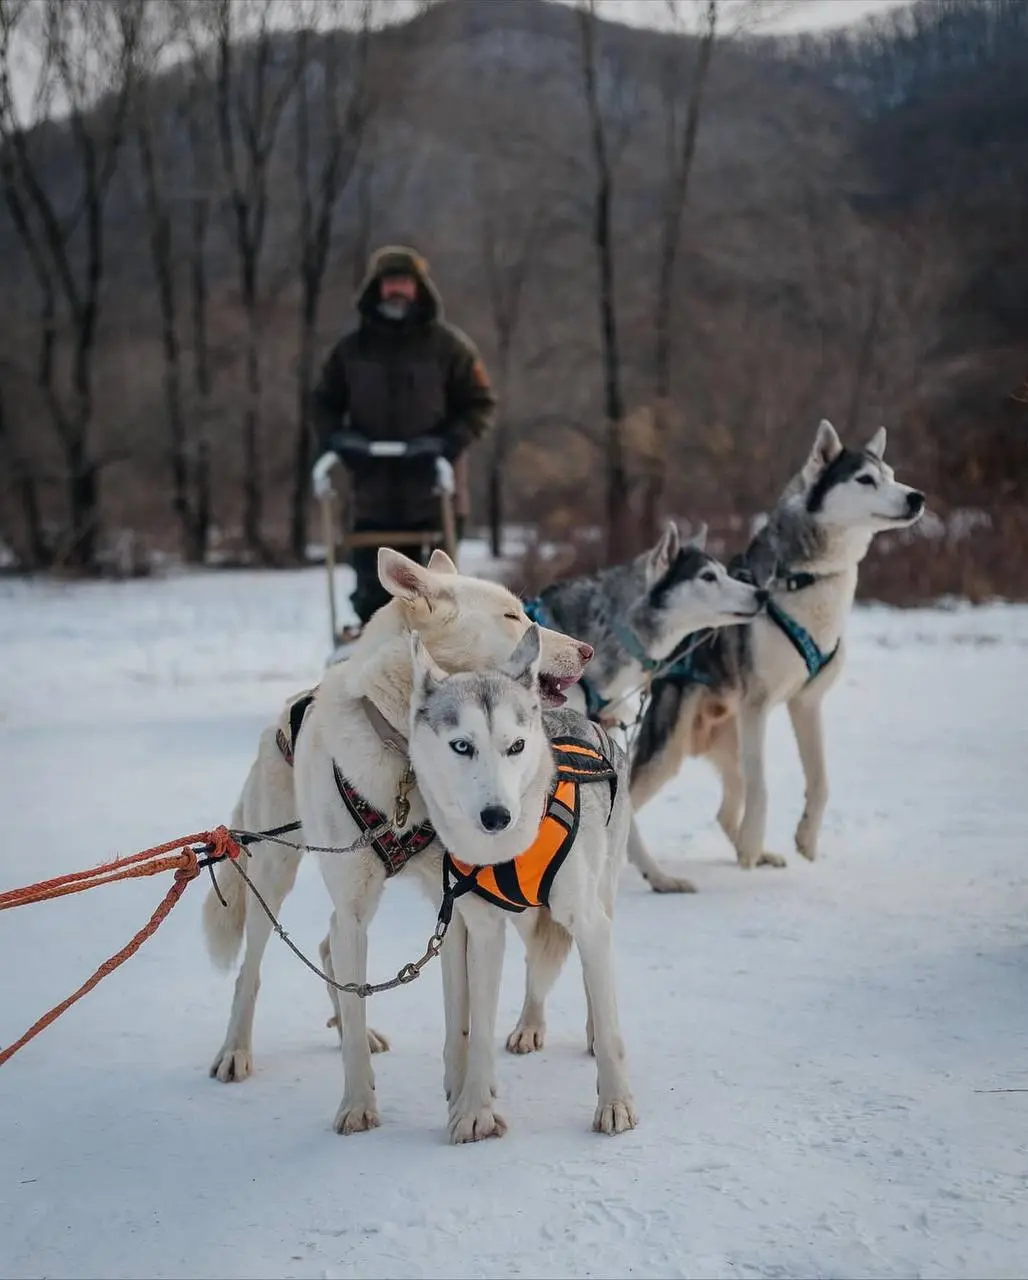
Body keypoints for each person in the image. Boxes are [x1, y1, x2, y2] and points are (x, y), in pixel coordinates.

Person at [310, 246, 496, 637]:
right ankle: (374, 660)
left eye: (405, 283)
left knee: (437, 596)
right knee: (374, 593)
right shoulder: (351, 350)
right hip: (372, 495)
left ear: (419, 289)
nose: (398, 290)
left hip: (434, 491)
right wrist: (339, 439)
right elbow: (323, 402)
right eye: (390, 282)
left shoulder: (449, 347)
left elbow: (479, 404)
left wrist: (446, 444)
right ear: (376, 289)